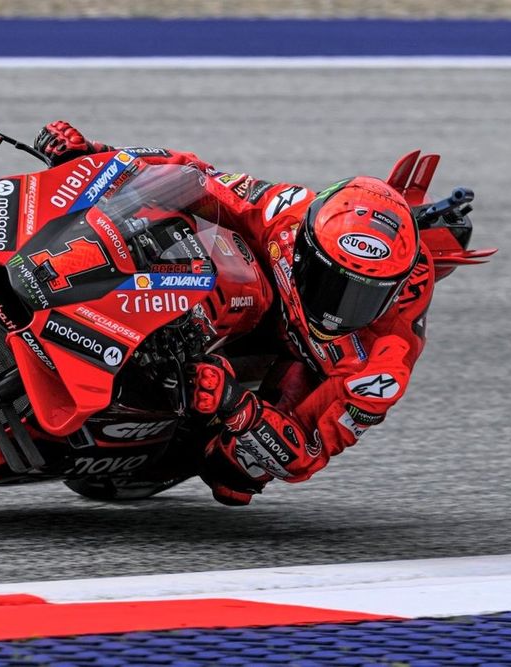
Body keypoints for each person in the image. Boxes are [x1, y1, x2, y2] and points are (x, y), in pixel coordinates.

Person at [34, 121, 435, 506]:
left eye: (360, 297)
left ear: (394, 291)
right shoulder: (288, 213)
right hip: (259, 289)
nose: (337, 310)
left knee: (235, 474)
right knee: (172, 224)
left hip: (308, 363)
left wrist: (237, 406)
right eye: (331, 284)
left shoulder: (382, 367)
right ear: (305, 248)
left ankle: (164, 439)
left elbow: (307, 455)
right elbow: (194, 178)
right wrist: (94, 156)